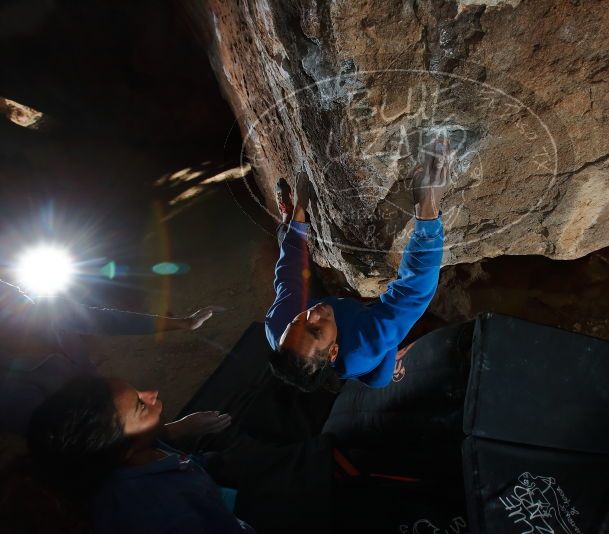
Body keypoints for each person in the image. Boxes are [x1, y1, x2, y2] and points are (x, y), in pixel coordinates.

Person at [265, 136, 452, 390]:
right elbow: (413, 292)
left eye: (298, 321)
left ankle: (285, 219)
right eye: (316, 330)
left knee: (289, 244)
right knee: (382, 375)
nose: (313, 314)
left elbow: (288, 273)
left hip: (340, 319)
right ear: (333, 352)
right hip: (367, 360)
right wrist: (428, 209)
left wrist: (299, 211)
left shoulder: (279, 324)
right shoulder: (362, 345)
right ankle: (390, 356)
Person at [27, 375, 250, 534]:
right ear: (122, 448)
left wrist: (183, 429)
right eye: (140, 405)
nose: (152, 394)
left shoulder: (139, 448)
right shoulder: (163, 513)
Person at [0, 279, 216, 434]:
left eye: (19, 293)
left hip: (113, 418)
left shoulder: (51, 313)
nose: (28, 303)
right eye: (10, 306)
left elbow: (112, 320)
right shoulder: (10, 391)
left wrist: (183, 323)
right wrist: (174, 432)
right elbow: (71, 445)